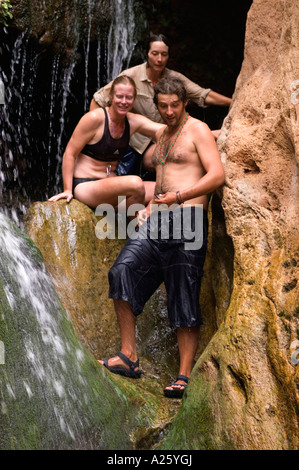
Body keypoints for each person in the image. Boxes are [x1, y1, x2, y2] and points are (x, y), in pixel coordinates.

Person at [98, 77, 225, 398]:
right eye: (163, 106)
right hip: (159, 220)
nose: (169, 111)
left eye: (175, 105)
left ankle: (183, 375)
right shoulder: (163, 135)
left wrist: (179, 197)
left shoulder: (197, 130)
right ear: (157, 105)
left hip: (189, 220)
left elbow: (216, 175)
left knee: (183, 294)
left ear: (185, 103)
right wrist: (152, 205)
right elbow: (163, 179)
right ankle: (129, 355)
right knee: (122, 270)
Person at [90, 33, 232, 177]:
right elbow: (98, 100)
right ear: (146, 54)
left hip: (161, 140)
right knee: (121, 190)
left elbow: (203, 94)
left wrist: (234, 102)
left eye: (164, 55)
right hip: (132, 143)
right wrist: (103, 136)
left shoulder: (174, 79)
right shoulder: (130, 76)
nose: (159, 59)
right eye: (155, 54)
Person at [48, 75, 163, 208]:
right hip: (86, 185)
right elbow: (70, 153)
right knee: (136, 183)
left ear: (134, 99)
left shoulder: (133, 121)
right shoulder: (94, 118)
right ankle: (136, 224)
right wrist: (67, 190)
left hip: (111, 185)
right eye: (119, 97)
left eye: (129, 98)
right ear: (111, 96)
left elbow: (164, 130)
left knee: (164, 189)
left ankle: (128, 220)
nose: (124, 101)